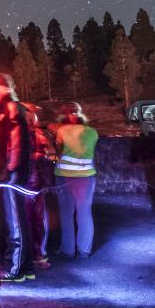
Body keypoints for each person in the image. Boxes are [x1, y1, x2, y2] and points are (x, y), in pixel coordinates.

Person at [0, 74, 36, 284]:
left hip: (11, 176)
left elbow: (15, 140)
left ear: (3, 88)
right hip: (8, 174)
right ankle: (25, 266)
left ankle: (14, 269)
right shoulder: (4, 110)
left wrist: (9, 168)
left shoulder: (11, 108)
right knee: (15, 220)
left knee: (14, 222)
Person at [53, 102, 99, 258]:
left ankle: (68, 250)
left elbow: (58, 152)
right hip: (86, 177)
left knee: (66, 214)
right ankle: (84, 250)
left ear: (64, 115)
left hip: (65, 176)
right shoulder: (92, 132)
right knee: (84, 213)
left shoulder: (61, 130)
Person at [24, 103, 57, 269]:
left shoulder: (37, 135)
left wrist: (38, 156)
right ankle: (36, 255)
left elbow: (52, 156)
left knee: (34, 220)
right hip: (33, 183)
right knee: (34, 220)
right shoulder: (39, 134)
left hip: (31, 184)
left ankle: (37, 255)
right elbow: (52, 156)